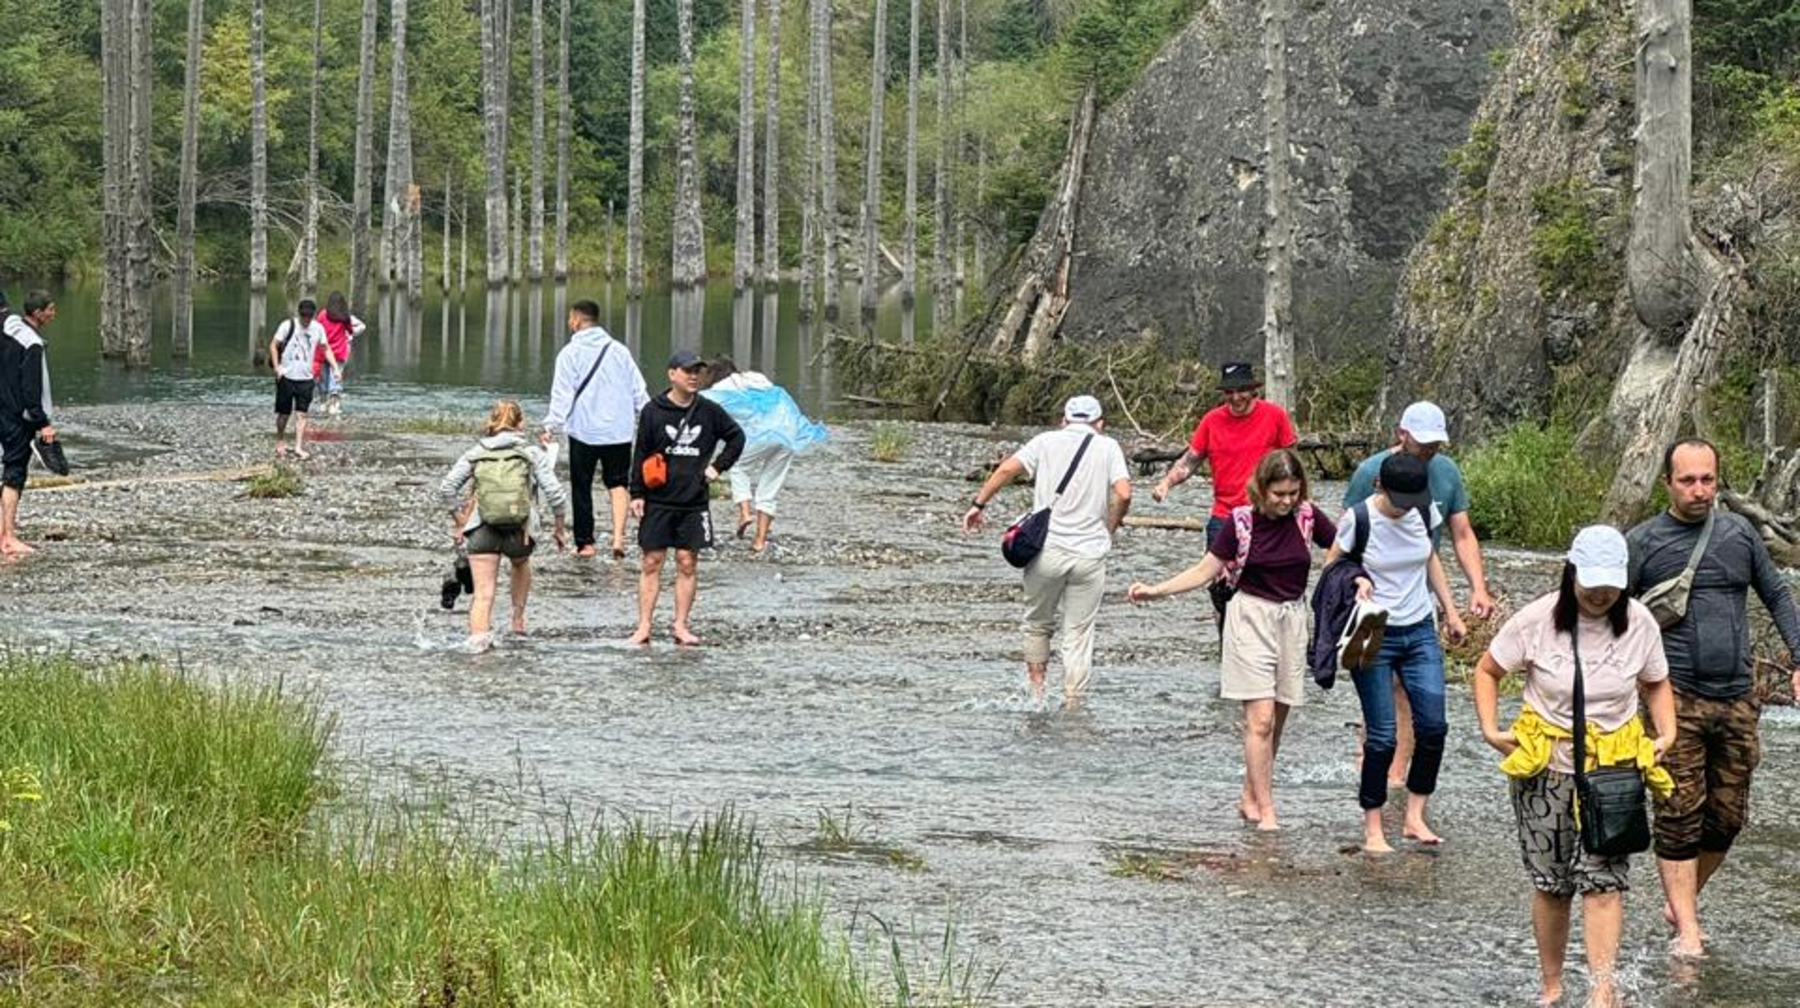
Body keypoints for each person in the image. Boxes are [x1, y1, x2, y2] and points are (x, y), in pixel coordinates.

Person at [1473, 525, 1677, 1008]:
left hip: (1614, 769)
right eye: (1591, 584)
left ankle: (1602, 990)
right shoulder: (1537, 619)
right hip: (1546, 768)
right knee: (1553, 882)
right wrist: (1489, 728)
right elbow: (1488, 670)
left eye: (1611, 585)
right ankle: (1552, 986)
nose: (1601, 594)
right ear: (1571, 575)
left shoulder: (1641, 622)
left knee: (1604, 879)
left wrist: (1665, 733)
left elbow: (1656, 682)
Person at [1626, 438, 1800, 957]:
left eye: (1708, 480)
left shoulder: (1739, 533)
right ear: (1668, 484)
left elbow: (1776, 594)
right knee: (1679, 812)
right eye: (1688, 481)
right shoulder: (1644, 543)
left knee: (1727, 817)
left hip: (1738, 698)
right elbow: (1611, 617)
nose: (1700, 490)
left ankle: (1681, 903)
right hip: (1673, 697)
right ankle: (1689, 930)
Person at [1128, 449, 1334, 828]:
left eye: (1293, 492)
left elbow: (1341, 548)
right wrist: (1156, 591)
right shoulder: (1239, 523)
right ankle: (1267, 809)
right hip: (1250, 617)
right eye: (1279, 494)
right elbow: (1206, 569)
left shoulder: (1307, 516)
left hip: (1292, 619)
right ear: (1262, 488)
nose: (1287, 501)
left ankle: (1250, 794)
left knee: (1278, 720)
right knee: (1260, 720)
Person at [1344, 401, 1496, 787]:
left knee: (1408, 690)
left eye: (1436, 444)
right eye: (1422, 443)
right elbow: (1345, 541)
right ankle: (1370, 761)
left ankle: (1395, 779)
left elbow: (1461, 534)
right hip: (1369, 605)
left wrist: (1476, 588)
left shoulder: (1445, 473)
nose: (1429, 451)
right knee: (1378, 690)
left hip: (1417, 598)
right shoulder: (1369, 472)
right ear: (1402, 434)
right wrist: (1353, 584)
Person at [1328, 451, 1467, 851]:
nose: (1408, 509)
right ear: (1380, 488)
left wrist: (1451, 612)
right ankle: (1373, 828)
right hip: (1375, 631)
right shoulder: (1361, 518)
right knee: (1383, 737)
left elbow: (1431, 560)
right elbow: (1333, 565)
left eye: (1415, 501)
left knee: (1434, 727)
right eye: (1401, 501)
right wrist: (1357, 579)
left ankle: (1414, 817)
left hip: (1420, 629)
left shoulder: (1422, 513)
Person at [964, 395, 1132, 706]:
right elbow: (1123, 493)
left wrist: (978, 506)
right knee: (1079, 634)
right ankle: (1073, 701)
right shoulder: (1108, 446)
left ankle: (1037, 695)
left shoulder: (1045, 441)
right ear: (1100, 424)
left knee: (1038, 623)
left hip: (1047, 549)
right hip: (1090, 555)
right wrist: (1110, 526)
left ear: (1064, 420)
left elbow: (1004, 471)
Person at [1152, 362, 1297, 628]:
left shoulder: (1274, 416)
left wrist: (1297, 503)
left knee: (1266, 583)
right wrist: (1166, 483)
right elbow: (1191, 460)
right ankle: (1227, 643)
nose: (1236, 397)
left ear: (1253, 390)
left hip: (1267, 514)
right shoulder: (1212, 420)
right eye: (1229, 392)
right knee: (1220, 586)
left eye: (1242, 390)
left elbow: (1292, 462)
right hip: (1224, 516)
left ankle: (1266, 638)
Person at [627, 351, 745, 646]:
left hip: (693, 500)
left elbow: (736, 437)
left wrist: (718, 467)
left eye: (697, 371)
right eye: (687, 371)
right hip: (658, 498)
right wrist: (637, 493)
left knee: (687, 561)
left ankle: (681, 625)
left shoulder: (709, 410)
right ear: (672, 374)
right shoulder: (653, 410)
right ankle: (644, 626)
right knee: (652, 561)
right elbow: (640, 452)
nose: (693, 376)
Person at [437, 400, 568, 650]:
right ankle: (517, 619)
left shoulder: (476, 453)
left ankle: (478, 649)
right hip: (520, 534)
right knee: (520, 563)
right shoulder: (531, 453)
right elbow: (556, 495)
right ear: (520, 424)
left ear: (493, 422)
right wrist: (559, 529)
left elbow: (447, 489)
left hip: (483, 531)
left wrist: (461, 520)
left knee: (483, 594)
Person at [542, 299, 649, 560]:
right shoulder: (620, 350)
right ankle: (618, 538)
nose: (570, 323)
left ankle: (586, 544)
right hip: (619, 431)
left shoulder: (569, 353)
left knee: (582, 486)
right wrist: (648, 418)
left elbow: (562, 394)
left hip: (584, 430)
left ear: (577, 320)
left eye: (571, 319)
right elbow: (639, 389)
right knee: (618, 483)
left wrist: (551, 425)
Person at [700, 356, 828, 552]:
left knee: (738, 466)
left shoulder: (717, 391)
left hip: (762, 436)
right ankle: (759, 541)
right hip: (788, 435)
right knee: (770, 488)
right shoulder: (756, 377)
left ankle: (744, 513)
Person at [0, 290, 58, 558]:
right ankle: (7, 538)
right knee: (14, 474)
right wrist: (43, 423)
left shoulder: (8, 327)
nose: (53, 314)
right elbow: (31, 390)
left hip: (2, 409)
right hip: (17, 417)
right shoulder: (32, 344)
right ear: (37, 313)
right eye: (50, 309)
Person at [269, 299, 339, 460]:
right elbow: (273, 345)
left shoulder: (318, 328)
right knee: (283, 414)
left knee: (302, 414)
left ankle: (298, 446)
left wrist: (335, 368)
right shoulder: (287, 325)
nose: (306, 319)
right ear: (299, 314)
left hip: (306, 377)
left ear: (313, 315)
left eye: (308, 316)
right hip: (286, 376)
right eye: (303, 316)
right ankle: (280, 440)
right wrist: (277, 367)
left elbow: (325, 348)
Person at [314, 292, 366, 416]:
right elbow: (350, 330)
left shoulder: (322, 314)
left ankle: (323, 403)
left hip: (323, 351)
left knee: (324, 378)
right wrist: (347, 335)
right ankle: (334, 404)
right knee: (336, 377)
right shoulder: (344, 316)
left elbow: (316, 328)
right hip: (339, 352)